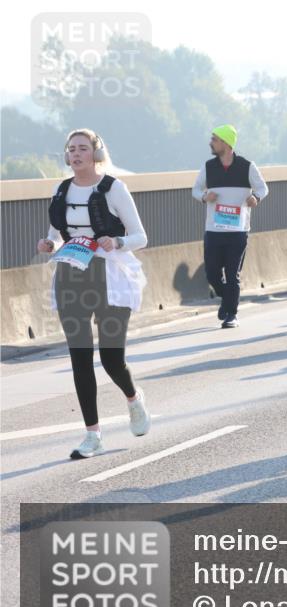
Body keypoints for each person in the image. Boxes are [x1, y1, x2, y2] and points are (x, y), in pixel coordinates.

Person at [37, 129, 151, 459]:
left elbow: (140, 236)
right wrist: (49, 245)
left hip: (110, 275)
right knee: (80, 356)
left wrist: (116, 243)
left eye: (82, 148)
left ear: (96, 152)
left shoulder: (113, 188)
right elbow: (57, 235)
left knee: (111, 358)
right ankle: (93, 435)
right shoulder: (61, 190)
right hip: (72, 275)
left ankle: (133, 398)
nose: (76, 154)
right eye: (71, 149)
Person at [192, 124, 269, 329]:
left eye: (215, 139)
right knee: (212, 273)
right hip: (214, 230)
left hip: (238, 230)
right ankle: (227, 300)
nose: (211, 142)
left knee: (233, 273)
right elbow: (196, 189)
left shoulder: (247, 166)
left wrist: (256, 197)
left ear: (226, 143)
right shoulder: (208, 167)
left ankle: (231, 314)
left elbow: (263, 187)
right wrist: (204, 196)